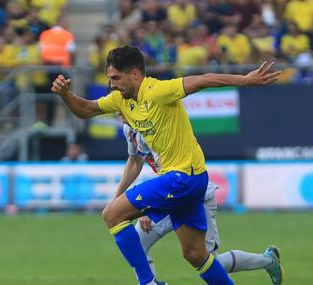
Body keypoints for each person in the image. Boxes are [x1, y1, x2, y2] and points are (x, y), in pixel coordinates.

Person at [51, 45, 280, 285]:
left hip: (184, 177)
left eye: (116, 78)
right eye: (110, 79)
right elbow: (86, 109)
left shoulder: (159, 90)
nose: (112, 84)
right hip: (186, 181)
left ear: (135, 74)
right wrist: (66, 94)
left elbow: (203, 79)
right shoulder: (121, 100)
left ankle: (148, 283)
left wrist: (244, 80)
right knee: (196, 255)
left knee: (112, 215)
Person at [118, 114, 283, 285]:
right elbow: (135, 160)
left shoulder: (156, 123)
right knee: (136, 244)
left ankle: (268, 260)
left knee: (211, 262)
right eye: (116, 106)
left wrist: (149, 207)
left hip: (192, 193)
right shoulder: (129, 128)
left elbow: (172, 170)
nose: (119, 112)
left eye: (122, 104)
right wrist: (117, 198)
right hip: (168, 196)